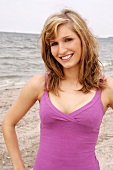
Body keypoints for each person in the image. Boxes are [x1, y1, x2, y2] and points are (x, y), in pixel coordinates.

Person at [2, 8, 113, 170]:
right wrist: (19, 166)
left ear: (83, 39)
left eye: (68, 40)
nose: (61, 50)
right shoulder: (40, 84)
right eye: (54, 43)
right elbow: (8, 123)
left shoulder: (106, 87)